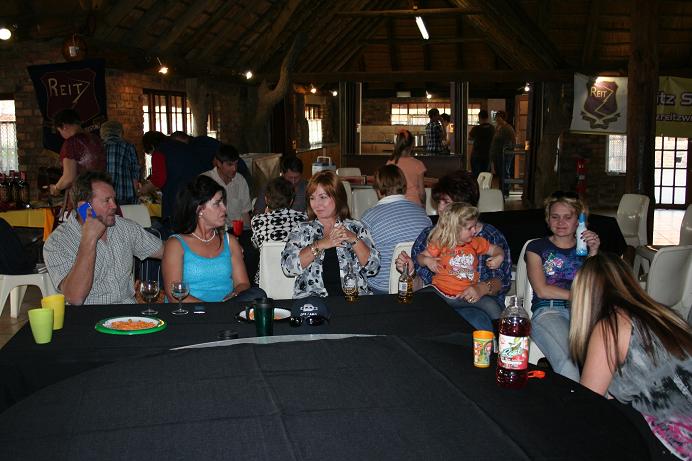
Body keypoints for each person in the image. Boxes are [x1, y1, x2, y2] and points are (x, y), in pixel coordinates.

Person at [569, 253, 691, 460]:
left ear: (583, 296)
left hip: (678, 445)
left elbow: (588, 404)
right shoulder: (663, 314)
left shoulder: (612, 327)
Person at [396, 170, 512, 329]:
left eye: (447, 203)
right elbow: (420, 286)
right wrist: (410, 272)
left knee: (477, 322)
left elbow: (503, 281)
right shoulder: (430, 236)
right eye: (439, 202)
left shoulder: (489, 236)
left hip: (475, 305)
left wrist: (482, 288)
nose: (440, 209)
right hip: (439, 302)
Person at [43, 171, 163, 305]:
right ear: (84, 208)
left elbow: (166, 251)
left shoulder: (124, 227)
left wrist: (181, 241)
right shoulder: (58, 242)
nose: (114, 206)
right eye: (107, 200)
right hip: (88, 314)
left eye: (114, 199)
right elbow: (75, 298)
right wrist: (89, 239)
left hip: (128, 312)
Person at [525, 191, 600, 381]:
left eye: (568, 217)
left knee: (607, 357)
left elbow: (591, 286)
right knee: (568, 362)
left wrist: (593, 252)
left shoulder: (585, 249)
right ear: (548, 219)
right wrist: (578, 295)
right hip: (549, 311)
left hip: (584, 312)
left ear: (579, 221)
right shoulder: (536, 247)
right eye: (555, 217)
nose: (560, 222)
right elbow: (542, 290)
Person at [161, 175, 263, 303]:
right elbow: (174, 295)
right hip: (190, 311)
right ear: (199, 210)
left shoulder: (229, 241)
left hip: (225, 309)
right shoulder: (176, 244)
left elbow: (242, 284)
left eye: (223, 202)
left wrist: (235, 294)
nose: (224, 209)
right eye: (217, 204)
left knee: (258, 294)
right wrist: (211, 310)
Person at [281, 170, 380, 298]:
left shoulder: (355, 227)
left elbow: (373, 268)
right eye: (312, 198)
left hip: (354, 299)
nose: (317, 204)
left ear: (338, 197)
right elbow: (288, 267)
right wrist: (321, 244)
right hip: (313, 300)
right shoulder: (302, 230)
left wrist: (354, 239)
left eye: (323, 197)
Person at [417, 202, 505, 329]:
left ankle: (500, 336)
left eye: (475, 226)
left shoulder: (475, 242)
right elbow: (420, 258)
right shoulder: (441, 243)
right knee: (417, 299)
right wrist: (427, 260)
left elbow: (495, 249)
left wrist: (499, 256)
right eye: (470, 228)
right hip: (441, 292)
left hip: (467, 295)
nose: (475, 231)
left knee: (492, 306)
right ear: (455, 229)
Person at [361, 165, 431, 294]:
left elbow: (364, 260)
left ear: (378, 190)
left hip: (382, 289)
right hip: (420, 286)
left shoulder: (368, 218)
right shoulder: (422, 213)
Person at [250, 177, 307, 284]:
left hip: (266, 280)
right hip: (297, 279)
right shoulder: (304, 219)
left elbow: (256, 245)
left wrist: (265, 215)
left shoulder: (258, 220)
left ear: (266, 199)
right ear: (291, 201)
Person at [49, 109, 106, 212]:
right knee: (101, 221)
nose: (61, 135)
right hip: (103, 195)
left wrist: (56, 188)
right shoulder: (96, 139)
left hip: (83, 200)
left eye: (59, 131)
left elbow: (69, 178)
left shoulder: (71, 143)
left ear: (64, 126)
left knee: (87, 221)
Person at [202, 144, 252, 228]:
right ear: (218, 163)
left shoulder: (240, 180)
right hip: (214, 230)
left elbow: (245, 213)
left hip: (237, 231)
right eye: (230, 164)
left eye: (236, 164)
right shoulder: (206, 180)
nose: (234, 169)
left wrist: (248, 231)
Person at [101, 120, 141, 205]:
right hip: (125, 194)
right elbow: (135, 172)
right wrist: (136, 193)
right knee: (126, 214)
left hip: (104, 194)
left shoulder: (99, 147)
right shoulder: (128, 146)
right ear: (120, 132)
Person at [386, 129, 426, 206]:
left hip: (396, 205)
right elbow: (422, 193)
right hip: (415, 205)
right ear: (412, 145)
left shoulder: (390, 163)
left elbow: (387, 189)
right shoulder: (418, 164)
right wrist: (424, 206)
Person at [489, 110, 516, 196]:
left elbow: (513, 141)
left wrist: (507, 150)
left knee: (504, 172)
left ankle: (505, 191)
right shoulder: (498, 127)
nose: (496, 119)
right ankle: (501, 190)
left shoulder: (508, 128)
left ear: (502, 118)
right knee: (500, 173)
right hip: (497, 154)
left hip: (504, 154)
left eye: (498, 117)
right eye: (496, 117)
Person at [468, 109, 495, 178]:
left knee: (476, 175)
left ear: (479, 117)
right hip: (487, 154)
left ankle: (476, 185)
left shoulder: (476, 128)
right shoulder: (492, 128)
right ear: (487, 117)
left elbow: (470, 138)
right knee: (485, 176)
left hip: (477, 155)